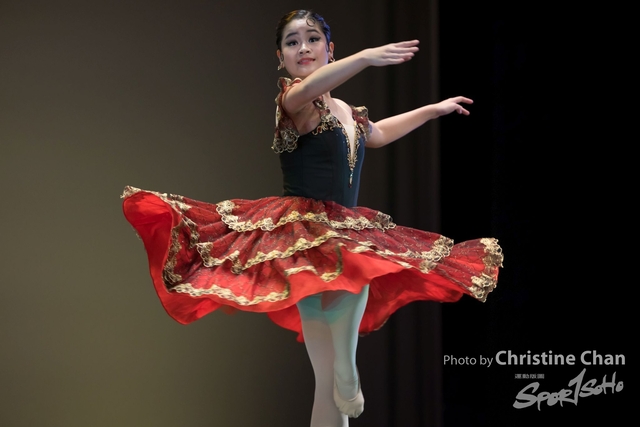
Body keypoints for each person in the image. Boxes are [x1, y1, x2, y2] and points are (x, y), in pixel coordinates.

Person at [122, 9, 503, 427]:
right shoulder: (293, 100)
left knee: (345, 312)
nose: (303, 48)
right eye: (292, 42)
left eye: (312, 39)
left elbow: (377, 134)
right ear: (280, 58)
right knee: (340, 323)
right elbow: (311, 89)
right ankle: (345, 367)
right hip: (300, 232)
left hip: (344, 226)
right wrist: (365, 57)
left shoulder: (346, 110)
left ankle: (346, 366)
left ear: (329, 48)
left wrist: (432, 109)